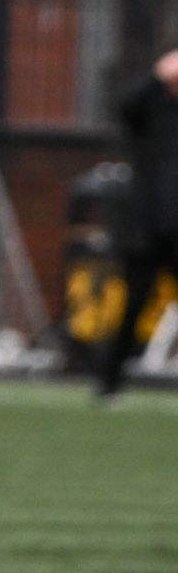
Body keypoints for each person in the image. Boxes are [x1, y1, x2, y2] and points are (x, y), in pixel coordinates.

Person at [95, 47, 178, 399]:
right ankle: (109, 384)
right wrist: (157, 75)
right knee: (133, 306)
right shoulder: (151, 109)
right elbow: (124, 106)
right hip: (147, 230)